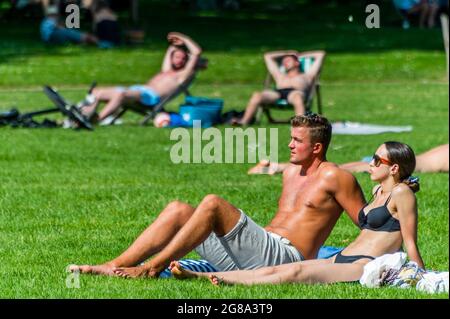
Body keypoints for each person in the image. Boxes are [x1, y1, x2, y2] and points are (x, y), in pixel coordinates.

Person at [69, 114, 366, 278]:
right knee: (178, 209)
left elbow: (368, 225)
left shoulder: (336, 177)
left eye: (297, 141)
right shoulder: (290, 171)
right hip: (254, 257)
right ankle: (115, 264)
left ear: (316, 147)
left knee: (213, 204)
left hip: (286, 259)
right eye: (290, 138)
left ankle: (150, 269)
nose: (289, 145)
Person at [170, 141, 425, 286]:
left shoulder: (402, 194)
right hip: (342, 256)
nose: (370, 164)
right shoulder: (378, 191)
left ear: (393, 168)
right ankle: (206, 276)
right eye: (372, 158)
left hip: (363, 263)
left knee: (295, 275)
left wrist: (421, 276)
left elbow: (409, 240)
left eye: (377, 161)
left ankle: (207, 277)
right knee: (281, 268)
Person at [78, 32, 202, 124]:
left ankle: (97, 120)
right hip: (139, 91)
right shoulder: (167, 70)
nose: (179, 60)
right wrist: (176, 44)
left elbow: (196, 52)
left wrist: (185, 39)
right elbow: (171, 49)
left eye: (182, 58)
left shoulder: (182, 76)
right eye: (176, 57)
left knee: (120, 95)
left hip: (151, 98)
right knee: (96, 92)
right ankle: (81, 118)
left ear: (187, 61)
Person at [233, 50, 325, 125]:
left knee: (297, 97)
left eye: (288, 60)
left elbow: (320, 54)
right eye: (284, 62)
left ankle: (299, 124)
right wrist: (287, 53)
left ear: (297, 62)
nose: (285, 63)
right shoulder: (280, 75)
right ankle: (244, 122)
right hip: (278, 93)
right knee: (257, 95)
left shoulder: (307, 75)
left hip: (295, 93)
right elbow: (267, 56)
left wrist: (299, 55)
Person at [248, 143, 449, 174]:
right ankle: (279, 167)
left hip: (422, 158)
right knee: (362, 166)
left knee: (362, 165)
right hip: (421, 161)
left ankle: (277, 167)